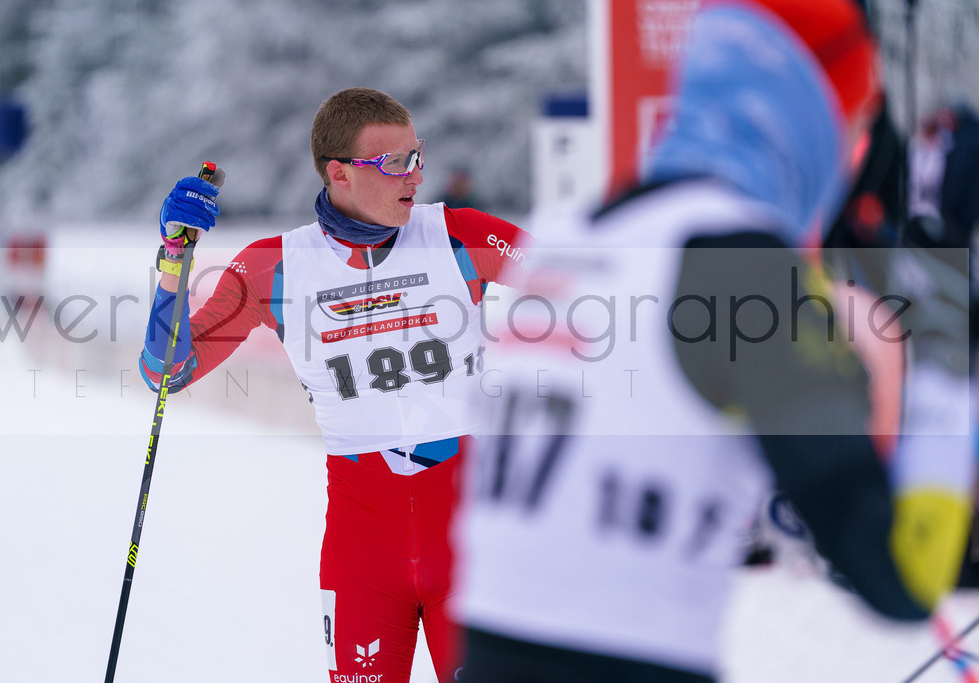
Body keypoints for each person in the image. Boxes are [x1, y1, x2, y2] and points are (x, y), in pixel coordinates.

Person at [454, 1, 975, 681]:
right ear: (807, 112)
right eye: (855, 119)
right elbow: (902, 575)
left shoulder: (566, 232)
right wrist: (947, 364)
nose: (854, 153)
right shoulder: (742, 265)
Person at [140, 87, 528, 683]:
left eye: (416, 156)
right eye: (394, 162)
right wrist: (174, 258)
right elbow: (165, 372)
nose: (414, 175)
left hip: (469, 536)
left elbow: (587, 286)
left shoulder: (460, 235)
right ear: (340, 172)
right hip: (363, 544)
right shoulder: (277, 266)